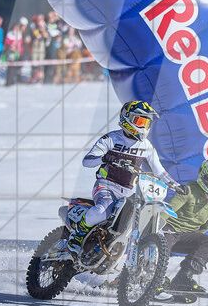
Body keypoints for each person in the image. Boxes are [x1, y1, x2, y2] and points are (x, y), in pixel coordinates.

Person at [66, 100, 185, 249]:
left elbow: (159, 171)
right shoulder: (111, 139)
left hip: (130, 193)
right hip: (106, 186)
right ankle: (77, 234)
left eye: (146, 123)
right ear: (127, 118)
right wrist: (105, 157)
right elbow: (87, 161)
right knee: (102, 211)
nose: (143, 127)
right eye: (140, 121)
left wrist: (176, 185)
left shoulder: (146, 146)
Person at [157, 158, 208, 300]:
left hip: (184, 237)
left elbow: (203, 229)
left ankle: (183, 278)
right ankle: (154, 279)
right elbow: (166, 213)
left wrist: (192, 243)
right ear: (205, 178)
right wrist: (154, 234)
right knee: (165, 238)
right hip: (169, 230)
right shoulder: (189, 191)